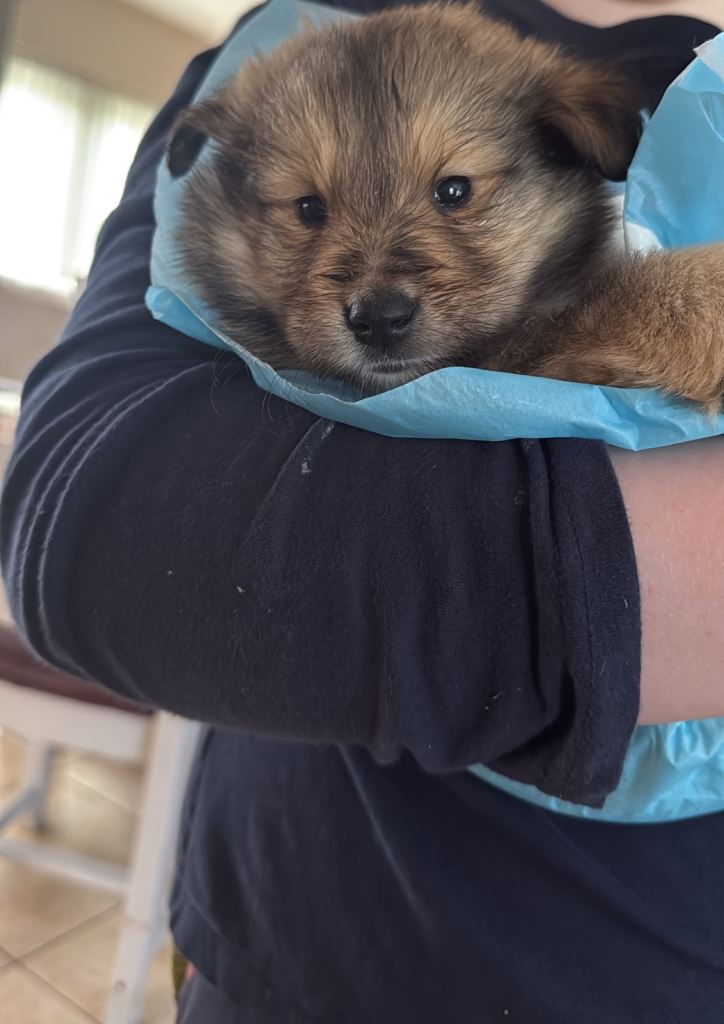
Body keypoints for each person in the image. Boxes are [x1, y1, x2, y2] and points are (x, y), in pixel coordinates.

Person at [2, 0, 723, 1019]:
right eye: (308, 209)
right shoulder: (272, 50)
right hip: (286, 947)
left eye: (454, 192)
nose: (376, 282)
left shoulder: (590, 115)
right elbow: (84, 538)